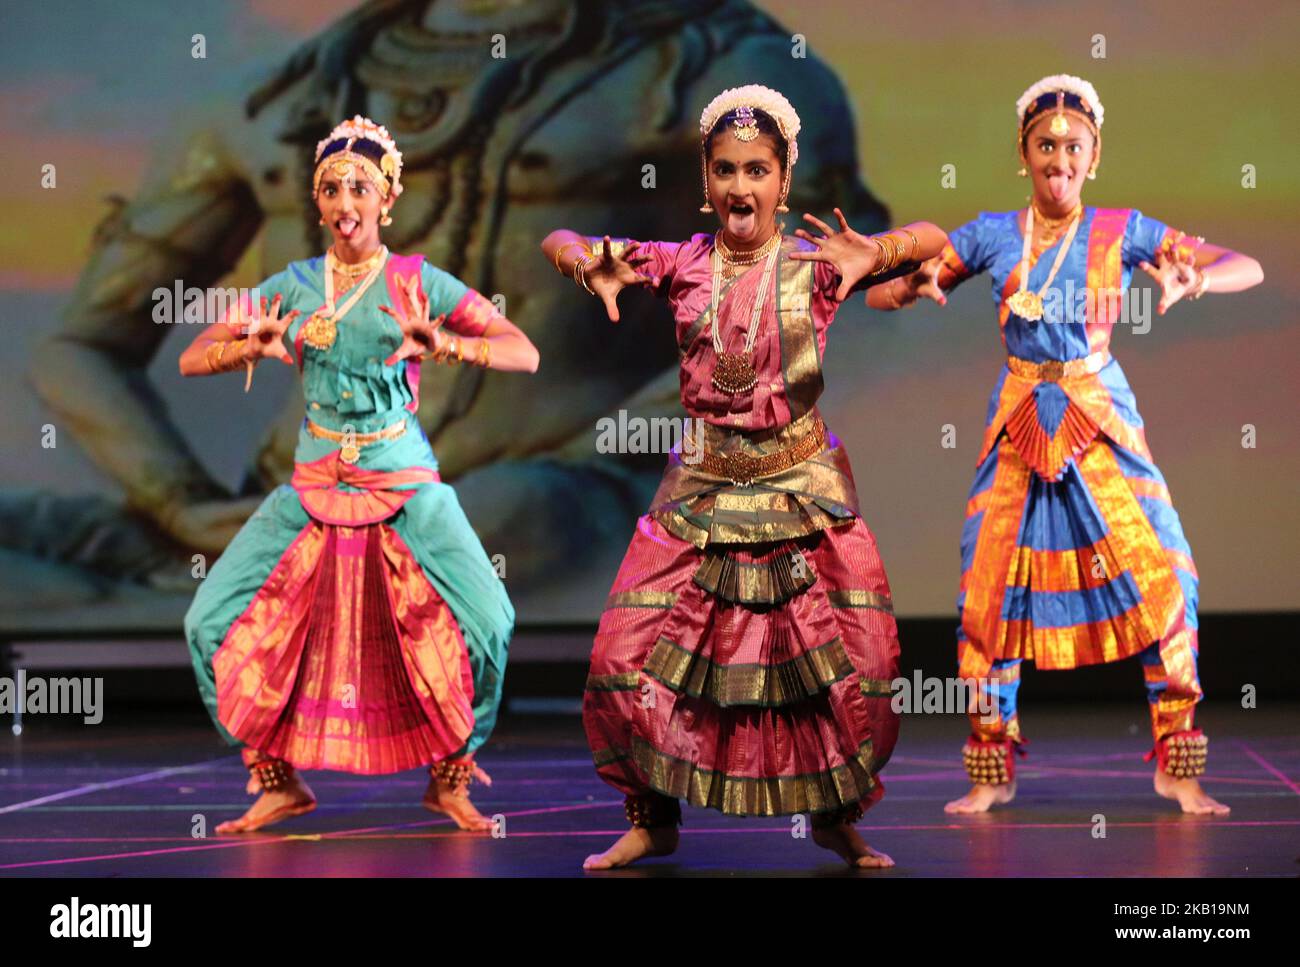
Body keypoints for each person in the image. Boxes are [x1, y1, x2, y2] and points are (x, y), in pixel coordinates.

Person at [543, 85, 949, 869]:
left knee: (857, 667)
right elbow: (561, 236)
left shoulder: (816, 265)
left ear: (784, 180)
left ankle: (836, 816)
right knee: (621, 661)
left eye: (757, 169)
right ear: (705, 180)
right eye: (725, 170)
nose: (740, 186)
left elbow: (934, 235)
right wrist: (581, 262)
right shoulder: (682, 263)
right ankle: (651, 815)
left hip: (800, 486)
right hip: (701, 492)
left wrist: (882, 251)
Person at [871, 75, 1263, 816]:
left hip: (1100, 415)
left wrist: (1194, 281)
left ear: (1094, 155)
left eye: (1072, 146)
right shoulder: (991, 233)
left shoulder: (1125, 229)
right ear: (1023, 154)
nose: (1059, 157)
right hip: (1020, 414)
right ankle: (991, 769)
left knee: (1167, 580)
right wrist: (904, 279)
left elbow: (1248, 266)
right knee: (989, 591)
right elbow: (886, 292)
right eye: (1045, 144)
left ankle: (1177, 766)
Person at [182, 116, 538, 834]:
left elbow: (522, 351)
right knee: (207, 619)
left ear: (387, 199)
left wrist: (446, 341)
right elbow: (194, 355)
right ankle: (275, 777)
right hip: (315, 485)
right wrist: (247, 344)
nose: (347, 201)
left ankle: (451, 774)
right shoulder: (292, 285)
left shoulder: (416, 281)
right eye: (332, 188)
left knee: (491, 620)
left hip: (402, 478)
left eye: (361, 187)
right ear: (317, 203)